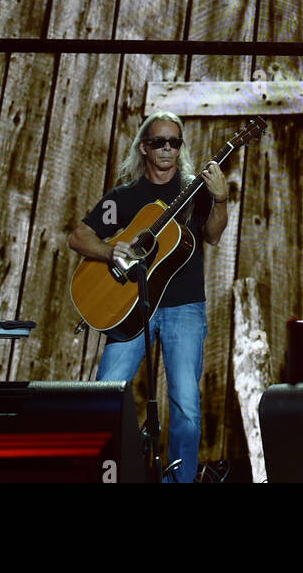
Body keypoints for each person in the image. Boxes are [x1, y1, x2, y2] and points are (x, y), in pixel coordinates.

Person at [69, 111, 228, 481]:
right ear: (144, 148)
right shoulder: (125, 197)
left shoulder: (196, 192)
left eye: (175, 142)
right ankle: (105, 475)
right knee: (106, 394)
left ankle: (180, 480)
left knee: (186, 403)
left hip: (185, 308)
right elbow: (79, 237)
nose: (168, 149)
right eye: (160, 142)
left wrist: (220, 201)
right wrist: (112, 251)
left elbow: (214, 235)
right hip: (131, 307)